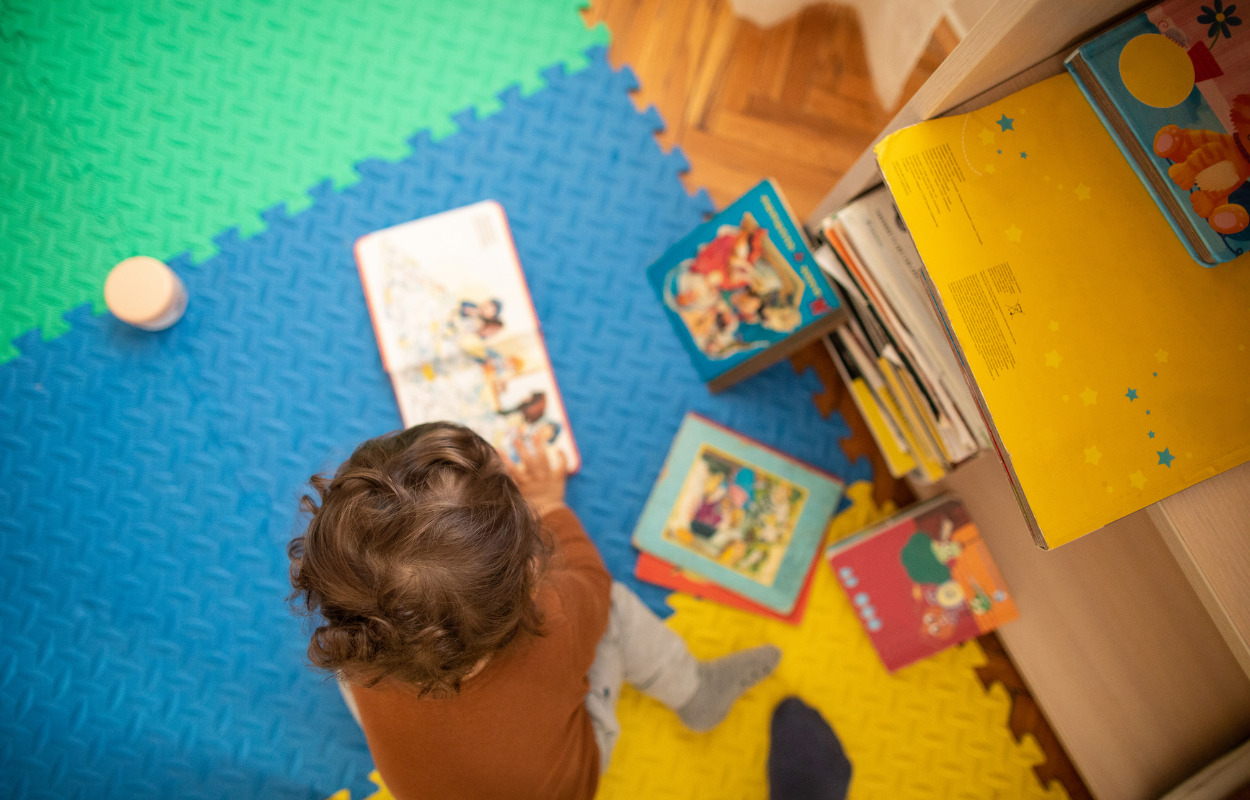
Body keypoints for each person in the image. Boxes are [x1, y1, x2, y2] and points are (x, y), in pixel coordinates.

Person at [287, 422, 780, 800]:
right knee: (612, 608)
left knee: (355, 669)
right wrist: (550, 504)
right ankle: (694, 692)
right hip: (571, 785)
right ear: (528, 574)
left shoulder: (357, 632)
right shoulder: (556, 619)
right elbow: (591, 577)